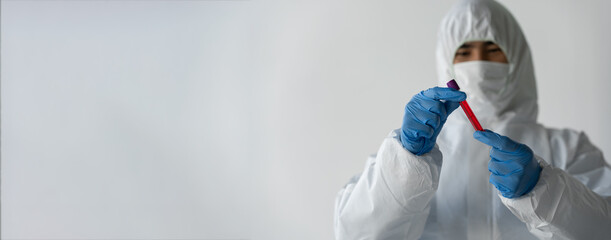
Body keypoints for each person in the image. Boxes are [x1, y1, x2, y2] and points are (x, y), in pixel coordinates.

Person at [333, 0, 611, 239]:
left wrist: (544, 190)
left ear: (517, 59)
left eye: (492, 51)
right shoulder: (414, 150)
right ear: (447, 63)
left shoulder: (568, 147)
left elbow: (604, 228)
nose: (478, 65)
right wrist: (405, 166)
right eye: (465, 53)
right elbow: (355, 231)